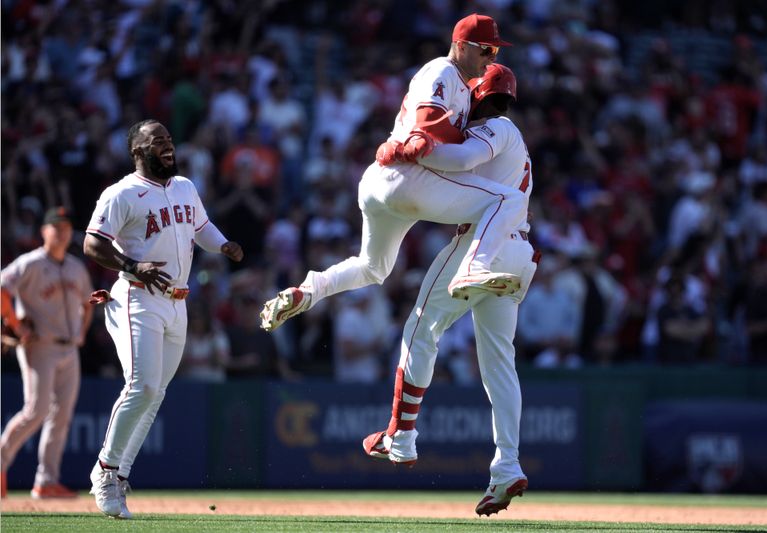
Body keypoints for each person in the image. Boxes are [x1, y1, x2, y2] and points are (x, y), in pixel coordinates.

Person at [259, 13, 528, 332]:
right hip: (407, 178)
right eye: (486, 49)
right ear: (460, 45)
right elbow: (427, 122)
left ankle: (307, 292)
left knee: (373, 268)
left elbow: (432, 137)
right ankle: (474, 269)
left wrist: (410, 143)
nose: (490, 57)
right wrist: (413, 141)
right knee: (508, 199)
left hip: (382, 181)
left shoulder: (461, 88)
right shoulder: (443, 69)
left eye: (495, 52)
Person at [361, 64, 537, 516]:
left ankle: (401, 435)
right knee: (500, 367)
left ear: (477, 95)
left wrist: (407, 148)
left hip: (484, 244)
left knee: (421, 328)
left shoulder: (495, 128)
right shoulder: (510, 132)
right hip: (519, 251)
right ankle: (507, 466)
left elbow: (457, 160)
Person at [83, 119, 243, 518]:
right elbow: (92, 243)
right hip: (139, 297)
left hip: (177, 302)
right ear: (138, 151)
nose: (167, 146)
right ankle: (104, 470)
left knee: (156, 394)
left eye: (169, 139)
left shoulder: (185, 187)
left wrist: (223, 245)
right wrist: (132, 265)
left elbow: (201, 228)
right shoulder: (122, 193)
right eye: (157, 141)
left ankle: (120, 475)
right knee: (142, 386)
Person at [0, 207, 93, 499]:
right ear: (44, 231)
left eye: (66, 226)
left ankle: (46, 481)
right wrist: (15, 325)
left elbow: (88, 302)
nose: (62, 231)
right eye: (56, 226)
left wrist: (83, 331)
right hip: (40, 346)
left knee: (61, 416)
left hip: (69, 349)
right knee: (36, 411)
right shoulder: (30, 263)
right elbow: (2, 289)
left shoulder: (77, 267)